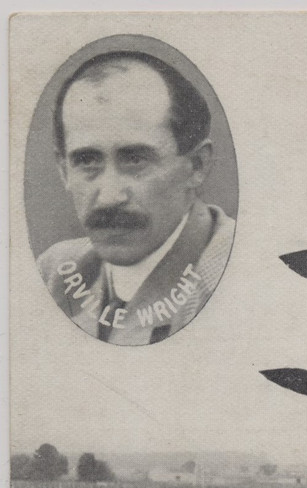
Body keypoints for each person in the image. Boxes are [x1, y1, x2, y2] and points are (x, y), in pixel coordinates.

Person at [36, 50, 234, 345]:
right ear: (64, 170)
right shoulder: (55, 274)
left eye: (135, 160)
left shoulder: (232, 279)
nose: (109, 197)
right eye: (87, 161)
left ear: (197, 166)